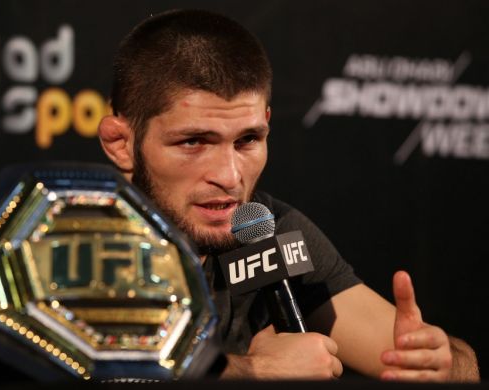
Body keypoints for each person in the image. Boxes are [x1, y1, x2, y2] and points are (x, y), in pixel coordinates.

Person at [97, 9, 480, 382]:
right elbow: (94, 366)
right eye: (194, 141)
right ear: (121, 143)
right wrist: (253, 371)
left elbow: (449, 362)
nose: (229, 176)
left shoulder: (268, 230)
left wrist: (440, 363)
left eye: (247, 140)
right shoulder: (66, 238)